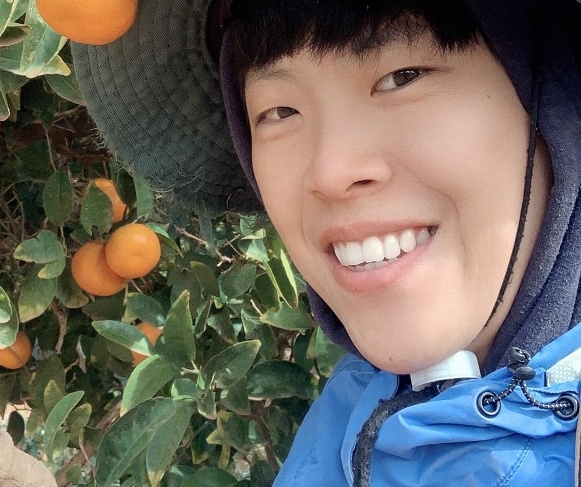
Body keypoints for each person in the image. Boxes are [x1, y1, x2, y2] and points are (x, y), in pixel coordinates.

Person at [71, 0, 581, 485]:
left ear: (554, 101)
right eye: (280, 111)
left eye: (402, 77)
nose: (331, 172)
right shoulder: (356, 412)